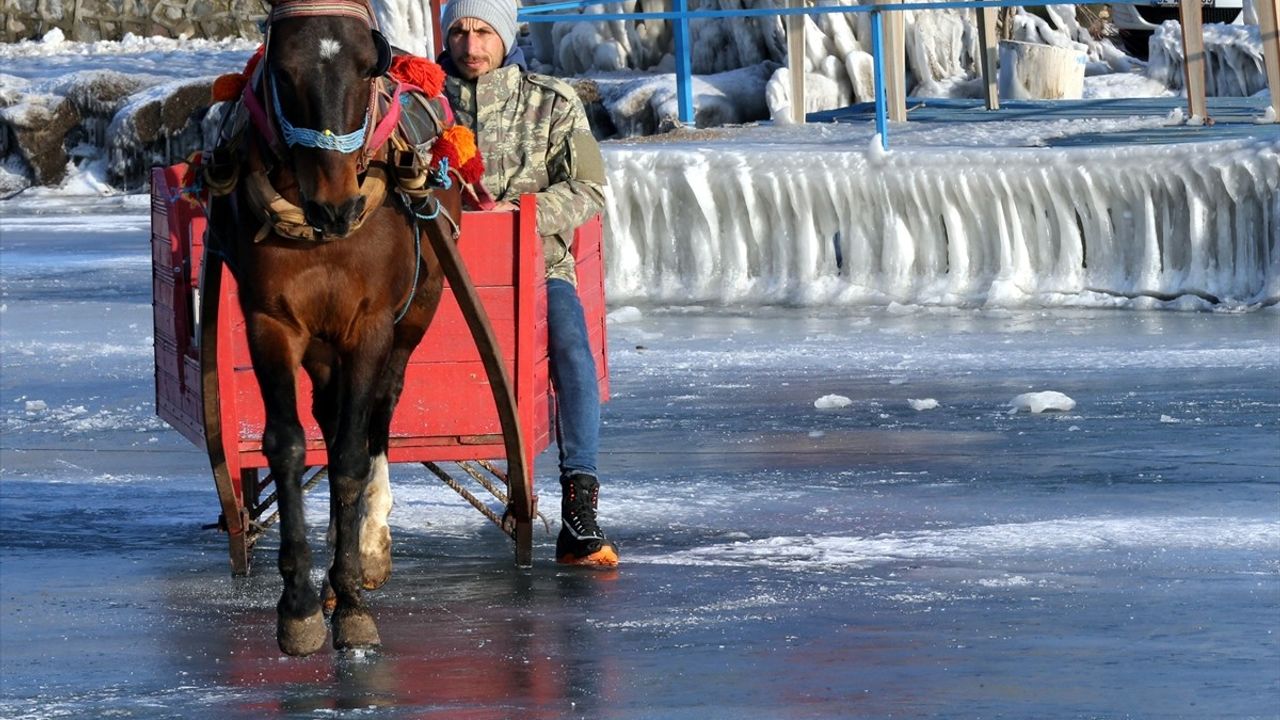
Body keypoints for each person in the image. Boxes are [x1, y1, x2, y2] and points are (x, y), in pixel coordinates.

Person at [437, 0, 618, 567]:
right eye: (461, 31)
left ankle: (579, 505)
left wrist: (515, 218)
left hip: (536, 266)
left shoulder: (551, 103)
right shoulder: (418, 103)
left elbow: (588, 189)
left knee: (570, 349)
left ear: (505, 36)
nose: (471, 45)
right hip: (432, 269)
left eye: (484, 31)